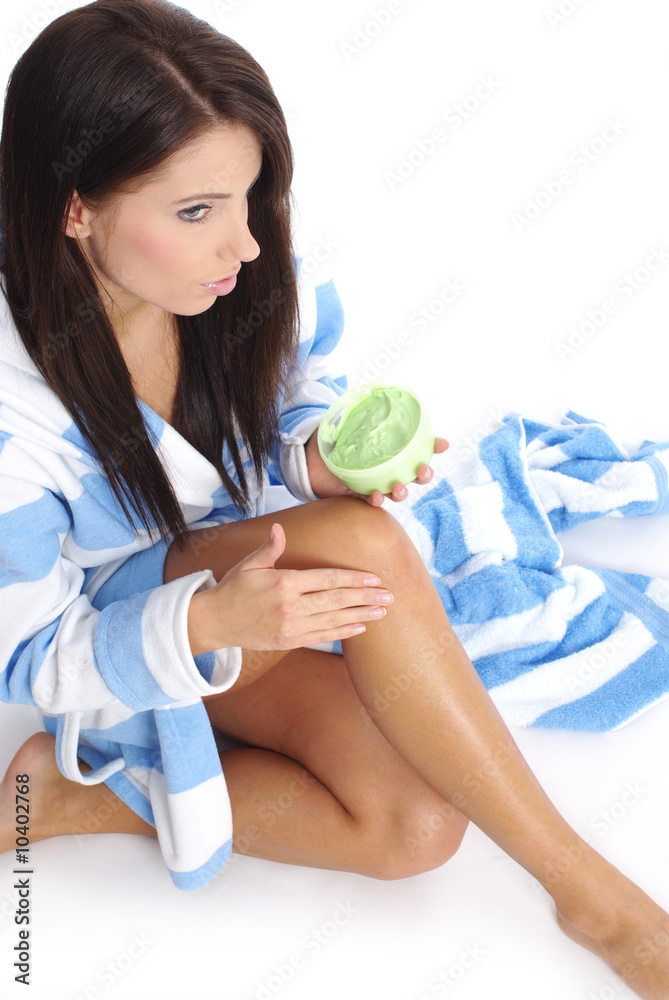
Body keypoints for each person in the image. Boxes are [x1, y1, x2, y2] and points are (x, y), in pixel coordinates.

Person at [0, 1, 668, 996]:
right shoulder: (13, 426)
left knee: (415, 829)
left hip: (239, 583)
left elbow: (294, 391)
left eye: (249, 195)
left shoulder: (229, 276)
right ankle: (603, 904)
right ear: (73, 209)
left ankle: (65, 800)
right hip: (127, 632)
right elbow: (28, 657)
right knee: (363, 545)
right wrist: (206, 622)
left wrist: (314, 460)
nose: (246, 245)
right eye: (197, 212)